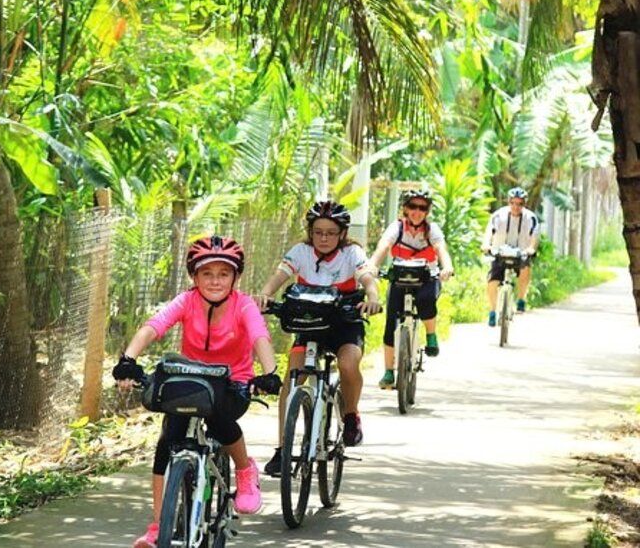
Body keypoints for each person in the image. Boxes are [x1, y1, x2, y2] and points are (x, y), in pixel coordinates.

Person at [113, 235, 281, 548]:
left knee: (219, 420)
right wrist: (128, 359)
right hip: (189, 380)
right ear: (194, 276)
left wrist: (269, 373)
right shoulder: (186, 300)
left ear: (235, 277)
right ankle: (158, 524)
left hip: (232, 383)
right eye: (207, 273)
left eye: (223, 274)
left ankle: (245, 470)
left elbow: (260, 337)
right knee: (168, 441)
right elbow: (155, 325)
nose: (215, 280)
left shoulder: (243, 304)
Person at [253, 201, 381, 477]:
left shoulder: (352, 253)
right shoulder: (300, 252)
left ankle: (351, 415)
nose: (324, 238)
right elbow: (279, 276)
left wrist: (372, 297)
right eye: (318, 232)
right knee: (292, 375)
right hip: (309, 322)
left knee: (348, 365)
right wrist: (265, 294)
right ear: (310, 232)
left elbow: (368, 277)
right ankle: (283, 448)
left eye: (331, 233)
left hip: (345, 322)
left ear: (342, 234)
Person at [367, 189, 455, 390]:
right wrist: (373, 264)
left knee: (425, 300)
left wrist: (447, 268)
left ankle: (431, 335)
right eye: (413, 207)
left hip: (426, 277)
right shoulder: (396, 228)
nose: (417, 211)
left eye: (422, 208)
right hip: (400, 277)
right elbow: (383, 246)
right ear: (405, 208)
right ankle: (389, 371)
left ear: (427, 211)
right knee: (391, 321)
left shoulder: (431, 230)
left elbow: (441, 249)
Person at [481, 187, 540, 325]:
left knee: (525, 269)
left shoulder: (530, 218)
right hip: (500, 252)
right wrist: (486, 245)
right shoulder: (498, 215)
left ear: (524, 204)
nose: (516, 207)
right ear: (508, 202)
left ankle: (520, 299)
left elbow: (534, 237)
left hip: (521, 253)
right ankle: (492, 310)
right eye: (513, 203)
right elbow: (489, 232)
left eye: (520, 204)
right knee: (492, 281)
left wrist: (531, 249)